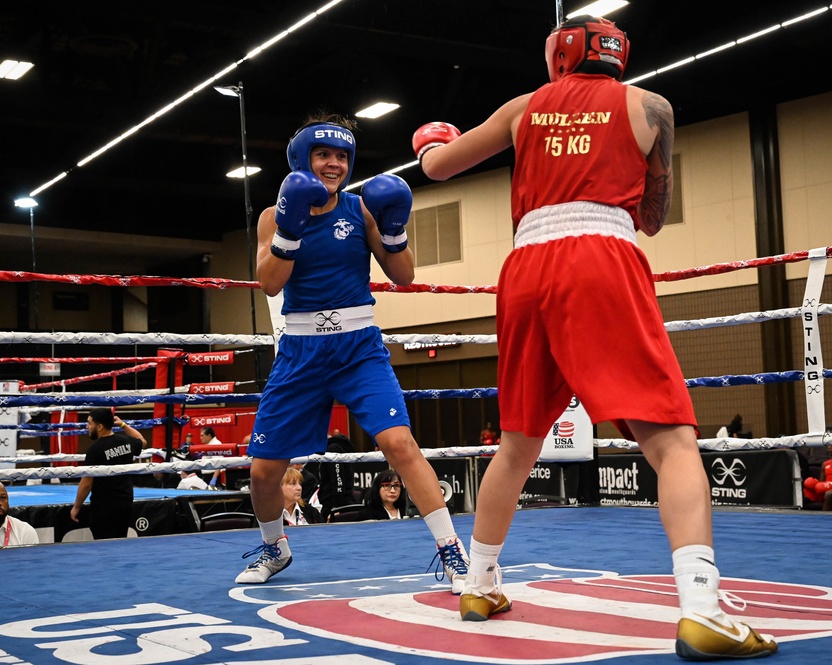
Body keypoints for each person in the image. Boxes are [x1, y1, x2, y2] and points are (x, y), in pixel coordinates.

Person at [413, 15, 776, 658]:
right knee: (671, 438)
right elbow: (654, 217)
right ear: (618, 56)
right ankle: (701, 610)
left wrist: (429, 141)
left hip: (525, 269)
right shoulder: (651, 106)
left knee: (519, 441)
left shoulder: (523, 108)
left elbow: (439, 168)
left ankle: (478, 584)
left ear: (558, 55)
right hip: (602, 259)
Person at [234, 113, 468, 592]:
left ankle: (453, 553)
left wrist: (395, 226)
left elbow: (403, 275)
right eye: (324, 155)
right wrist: (290, 228)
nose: (334, 164)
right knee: (262, 473)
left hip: (358, 347)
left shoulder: (361, 209)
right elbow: (269, 283)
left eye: (342, 156)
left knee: (399, 444)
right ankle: (275, 548)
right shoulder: (272, 216)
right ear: (303, 160)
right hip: (300, 351)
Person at [70, 408, 146, 539]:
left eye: (89, 423)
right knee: (119, 542)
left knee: (103, 547)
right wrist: (123, 425)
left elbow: (86, 483)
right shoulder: (126, 442)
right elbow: (142, 441)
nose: (87, 426)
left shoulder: (95, 450)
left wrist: (76, 507)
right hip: (125, 504)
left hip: (103, 508)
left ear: (99, 427)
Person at [318, 433, 357, 521]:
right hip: (340, 500)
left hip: (334, 503)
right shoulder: (340, 447)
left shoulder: (333, 449)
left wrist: (337, 507)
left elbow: (338, 479)